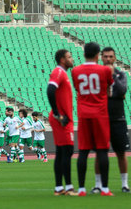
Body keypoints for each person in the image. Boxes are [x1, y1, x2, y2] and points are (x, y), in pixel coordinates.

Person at [72, 42, 114, 196]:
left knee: (83, 151)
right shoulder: (104, 70)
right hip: (100, 113)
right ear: (98, 55)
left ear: (84, 54)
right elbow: (109, 87)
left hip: (83, 114)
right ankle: (104, 188)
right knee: (102, 151)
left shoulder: (76, 70)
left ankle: (82, 188)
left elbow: (77, 88)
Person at [91, 47, 131, 194]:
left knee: (121, 153)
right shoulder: (96, 74)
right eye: (105, 57)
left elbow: (122, 90)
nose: (108, 59)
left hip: (118, 119)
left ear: (114, 58)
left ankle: (125, 184)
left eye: (110, 57)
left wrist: (111, 76)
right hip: (101, 119)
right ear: (101, 58)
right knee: (99, 153)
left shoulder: (121, 74)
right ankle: (97, 184)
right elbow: (96, 93)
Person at [47, 49, 76, 196]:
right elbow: (50, 90)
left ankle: (59, 187)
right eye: (69, 57)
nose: (72, 59)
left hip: (63, 118)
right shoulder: (58, 72)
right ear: (63, 60)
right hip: (62, 119)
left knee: (61, 152)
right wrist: (58, 114)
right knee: (67, 151)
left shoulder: (63, 73)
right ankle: (68, 188)